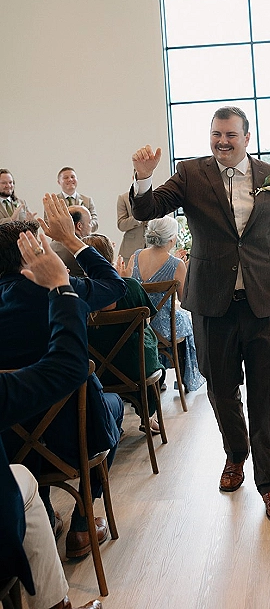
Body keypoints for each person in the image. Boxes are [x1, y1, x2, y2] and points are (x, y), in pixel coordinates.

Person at [130, 105, 270, 524]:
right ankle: (236, 454)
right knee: (221, 389)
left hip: (265, 302)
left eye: (230, 135)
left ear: (247, 137)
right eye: (216, 134)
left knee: (267, 392)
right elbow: (147, 209)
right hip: (212, 305)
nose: (222, 141)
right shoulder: (190, 175)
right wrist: (144, 177)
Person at [0, 194, 126, 559]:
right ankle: (85, 522)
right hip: (74, 436)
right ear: (35, 255)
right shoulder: (58, 288)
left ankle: (42, 511)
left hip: (10, 446)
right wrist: (73, 241)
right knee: (112, 404)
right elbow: (115, 286)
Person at [1, 226, 103, 609]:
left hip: (18, 440)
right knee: (102, 409)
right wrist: (61, 284)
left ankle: (53, 513)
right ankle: (81, 523)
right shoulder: (68, 288)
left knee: (23, 463)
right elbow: (67, 368)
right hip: (69, 437)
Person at [84, 233, 164, 433]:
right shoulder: (130, 286)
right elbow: (146, 321)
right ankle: (148, 416)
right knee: (148, 344)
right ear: (110, 257)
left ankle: (109, 422)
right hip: (134, 369)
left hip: (94, 372)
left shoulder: (78, 290)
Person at [124, 217, 203, 399]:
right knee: (186, 321)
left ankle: (158, 377)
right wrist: (186, 269)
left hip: (140, 326)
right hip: (165, 329)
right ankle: (185, 377)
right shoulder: (176, 264)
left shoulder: (136, 255)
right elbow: (185, 300)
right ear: (172, 239)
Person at [50, 205, 92, 275]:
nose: (91, 226)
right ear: (79, 226)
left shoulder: (52, 245)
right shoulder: (83, 250)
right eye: (90, 223)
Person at [56, 167, 98, 232]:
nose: (70, 179)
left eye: (72, 177)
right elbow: (49, 223)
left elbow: (95, 222)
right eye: (66, 177)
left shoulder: (87, 200)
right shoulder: (53, 201)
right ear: (59, 182)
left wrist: (84, 227)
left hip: (84, 240)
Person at [117, 190, 146, 261]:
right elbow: (121, 225)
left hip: (153, 248)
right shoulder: (123, 198)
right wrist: (138, 217)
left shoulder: (155, 196)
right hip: (130, 250)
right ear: (134, 178)